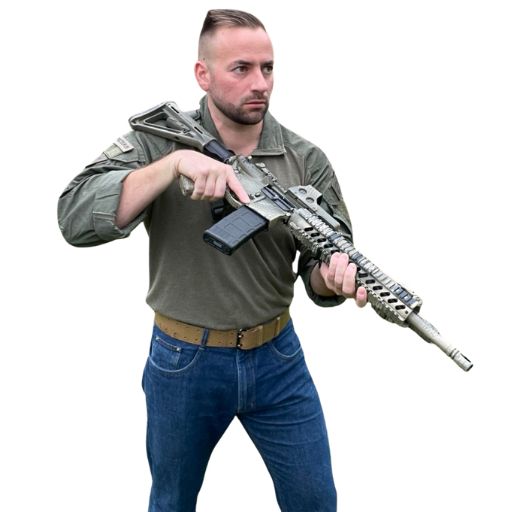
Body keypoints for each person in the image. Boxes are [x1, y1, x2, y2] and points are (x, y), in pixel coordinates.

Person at [57, 7, 367, 511]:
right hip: (184, 360)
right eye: (240, 68)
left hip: (278, 357)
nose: (260, 83)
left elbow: (320, 263)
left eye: (268, 68)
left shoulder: (305, 157)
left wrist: (330, 281)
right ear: (201, 74)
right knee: (172, 502)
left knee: (315, 500)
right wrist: (173, 164)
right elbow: (74, 216)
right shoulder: (160, 139)